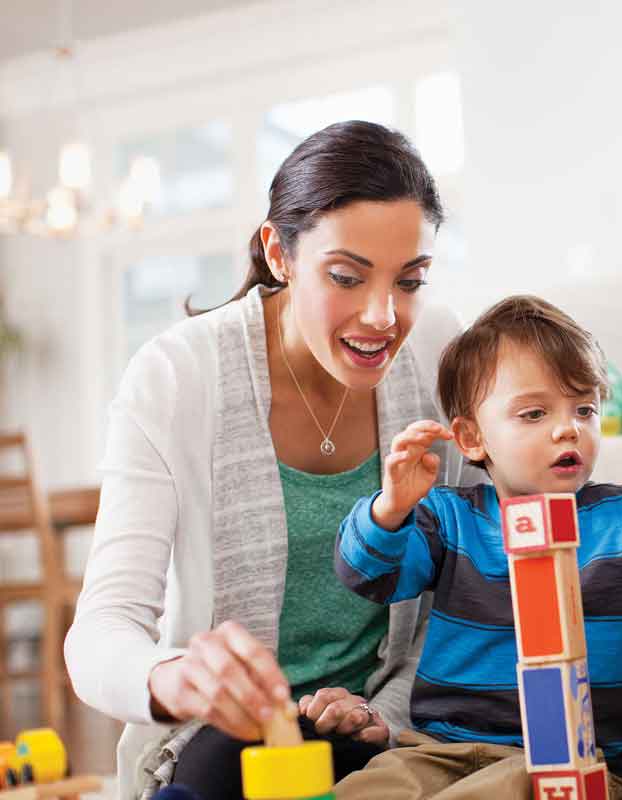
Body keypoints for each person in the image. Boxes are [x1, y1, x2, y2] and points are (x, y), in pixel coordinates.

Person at [65, 121, 475, 800]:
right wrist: (179, 677)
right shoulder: (177, 375)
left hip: (395, 725)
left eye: (410, 280)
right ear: (278, 254)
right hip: (224, 743)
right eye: (346, 277)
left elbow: (467, 588)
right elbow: (100, 633)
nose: (382, 316)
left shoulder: (437, 350)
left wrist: (385, 713)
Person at [330, 295, 622, 799]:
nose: (569, 427)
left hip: (576, 763)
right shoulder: (449, 519)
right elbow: (367, 575)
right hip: (436, 750)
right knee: (366, 789)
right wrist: (389, 509)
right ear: (473, 438)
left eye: (584, 408)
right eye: (535, 413)